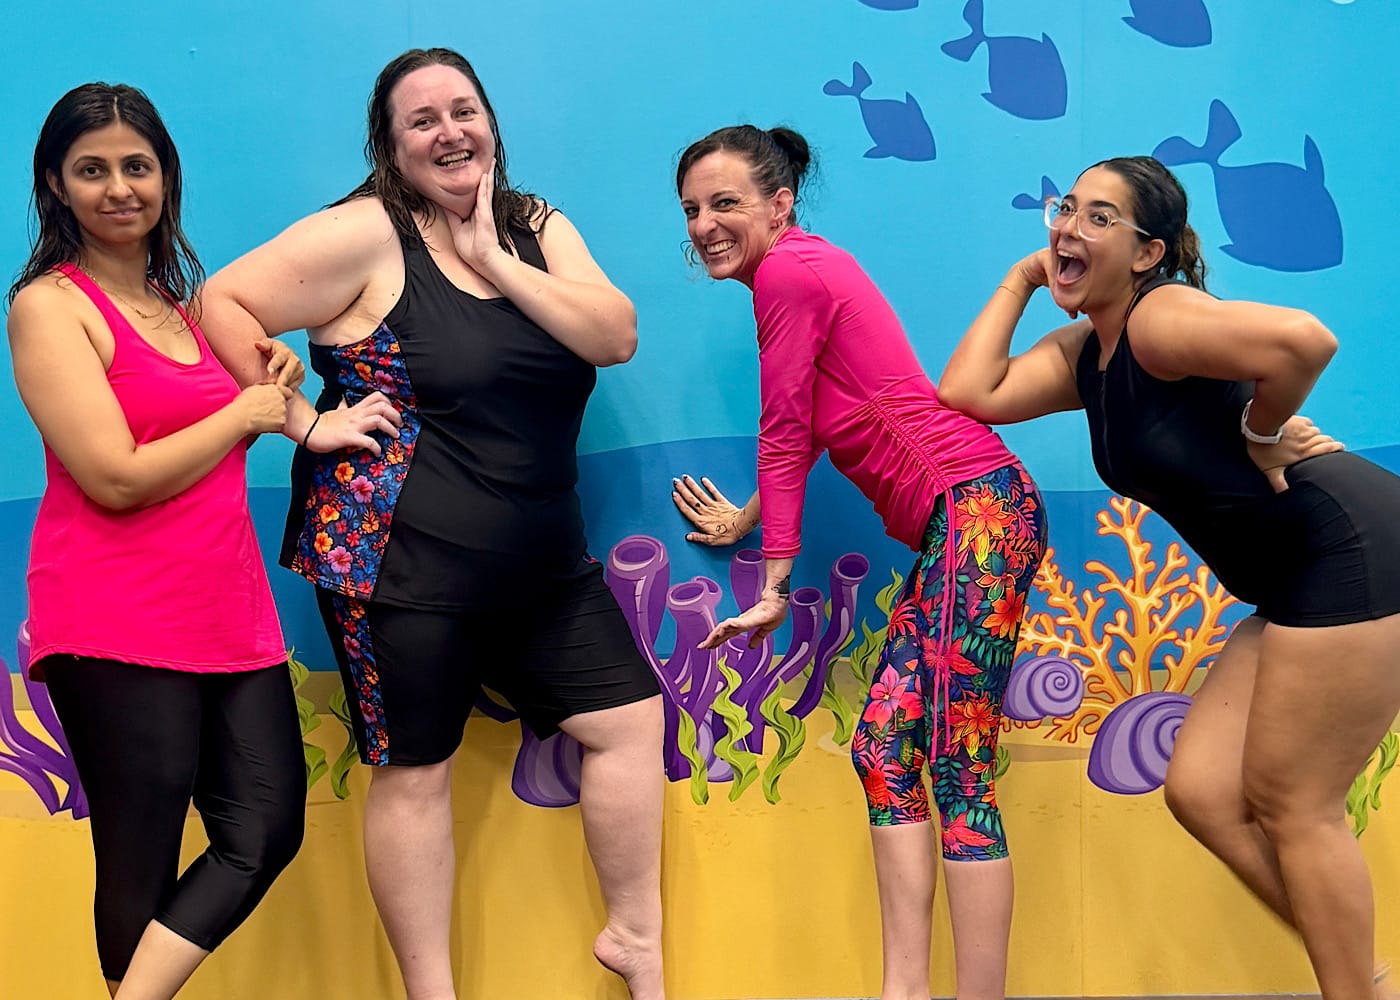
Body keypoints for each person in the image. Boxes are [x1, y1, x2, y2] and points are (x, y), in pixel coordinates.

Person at [198, 48, 666, 1000]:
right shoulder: (368, 232)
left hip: (541, 560)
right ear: (391, 145)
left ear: (490, 122)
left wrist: (492, 257)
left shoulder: (537, 225)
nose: (449, 132)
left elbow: (613, 335)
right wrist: (304, 421)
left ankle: (635, 940)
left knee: (627, 721)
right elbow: (223, 300)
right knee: (416, 770)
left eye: (464, 110)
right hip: (395, 563)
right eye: (422, 120)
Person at [938, 154, 1400, 998]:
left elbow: (1305, 340)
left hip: (1348, 549)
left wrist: (1264, 432)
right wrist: (1023, 278)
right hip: (1291, 580)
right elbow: (971, 391)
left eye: (1100, 217)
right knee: (1204, 793)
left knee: (1294, 803)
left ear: (1148, 253)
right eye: (1066, 209)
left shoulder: (1160, 320)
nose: (1070, 227)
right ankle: (1362, 979)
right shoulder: (1091, 353)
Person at [671, 124, 1048, 1000]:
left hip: (977, 510)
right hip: (964, 523)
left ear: (780, 204)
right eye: (691, 209)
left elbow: (783, 426)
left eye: (724, 203)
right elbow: (812, 419)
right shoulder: (801, 270)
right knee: (882, 746)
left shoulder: (788, 273)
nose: (703, 225)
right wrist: (751, 519)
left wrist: (775, 582)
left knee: (957, 769)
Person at [6, 83, 309, 999]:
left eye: (136, 166)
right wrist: (244, 414)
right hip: (115, 617)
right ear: (55, 184)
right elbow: (114, 475)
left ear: (166, 177)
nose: (118, 188)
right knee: (139, 857)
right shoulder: (49, 307)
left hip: (227, 614)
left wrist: (273, 388)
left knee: (266, 826)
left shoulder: (181, 310)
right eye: (91, 170)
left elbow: (213, 437)